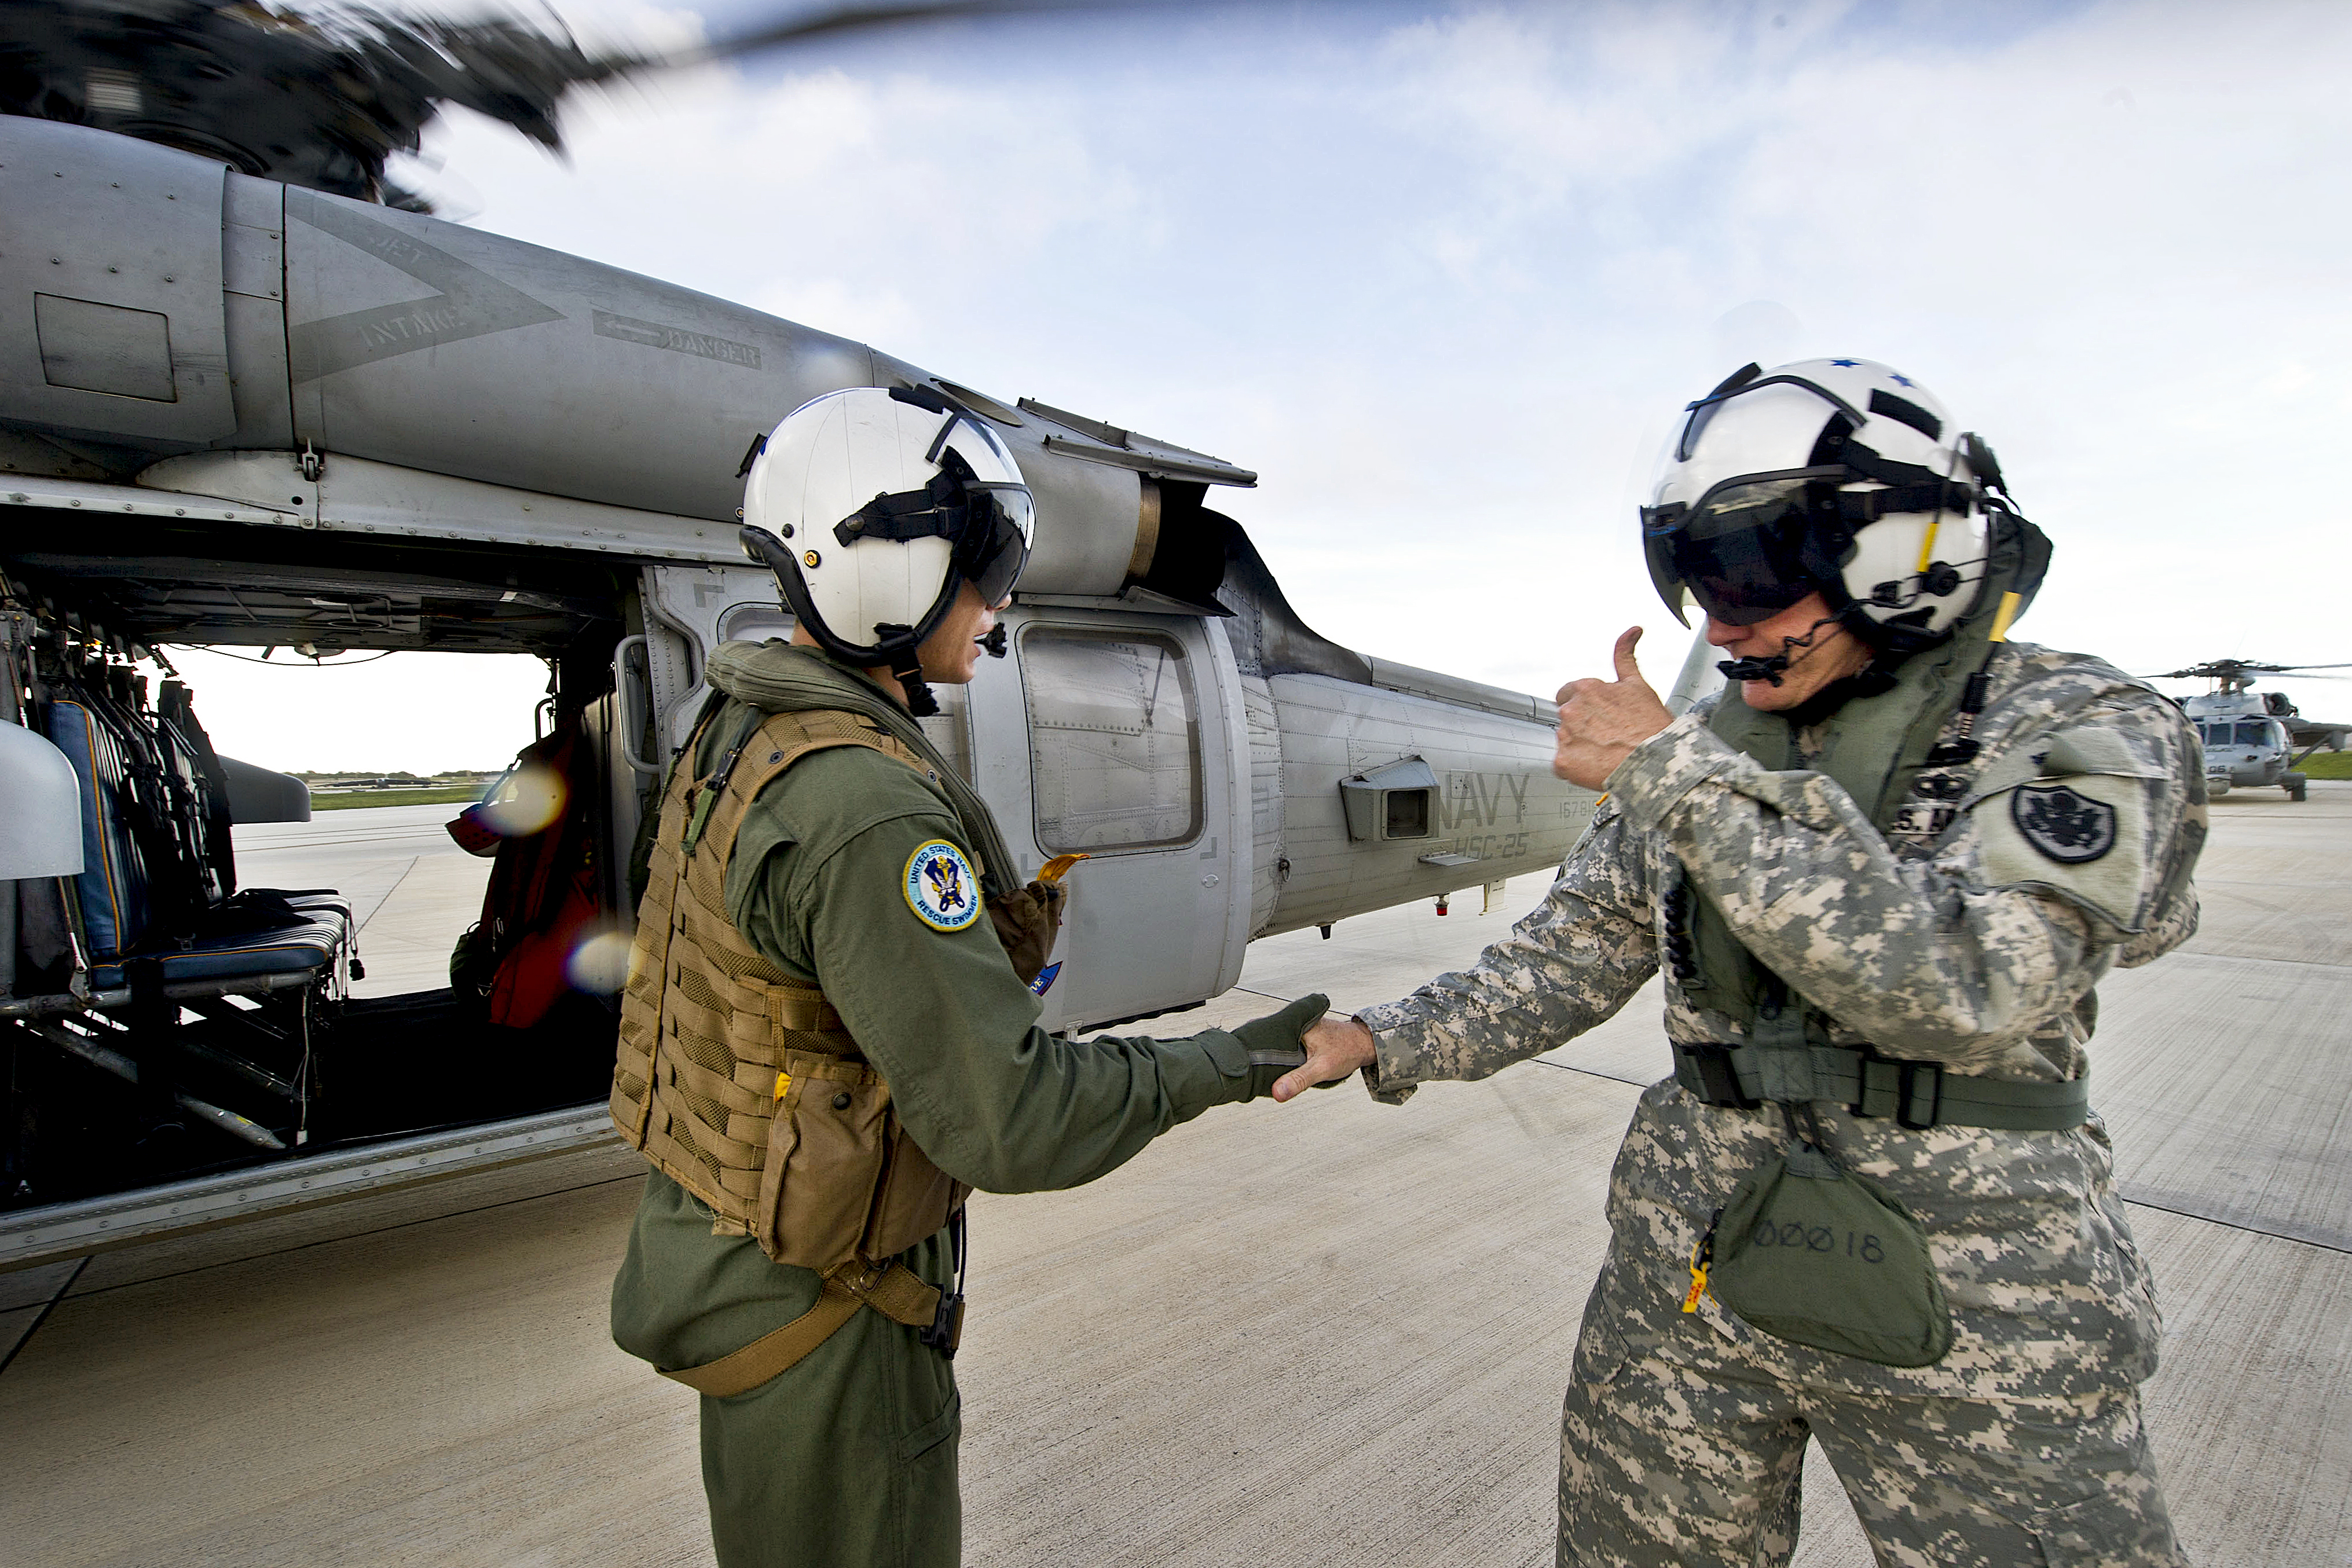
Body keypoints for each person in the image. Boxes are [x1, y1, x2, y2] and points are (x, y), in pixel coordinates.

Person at [1272, 359, 2203, 1566]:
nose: (1718, 624)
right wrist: (1381, 1035)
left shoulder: (2078, 725)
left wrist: (1676, 777)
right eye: (1695, 579)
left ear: (1901, 548)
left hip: (1982, 1312)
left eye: (1752, 574)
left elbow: (1968, 982)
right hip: (1696, 1271)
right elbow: (1568, 956)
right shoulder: (1712, 744)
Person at [607, 384, 1324, 1568]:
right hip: (831, 1331)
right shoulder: (864, 811)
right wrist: (1244, 1058)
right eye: (982, 567)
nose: (997, 605)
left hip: (745, 1270)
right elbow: (1013, 1119)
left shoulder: (739, 725)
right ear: (880, 571)